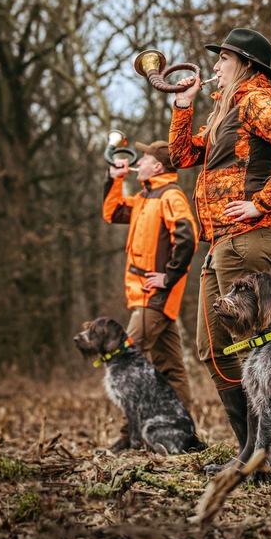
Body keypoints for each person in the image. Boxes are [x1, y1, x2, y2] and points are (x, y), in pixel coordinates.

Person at [168, 27, 271, 457]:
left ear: (245, 64)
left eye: (223, 59)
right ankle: (252, 452)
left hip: (247, 238)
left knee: (255, 351)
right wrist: (183, 105)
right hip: (220, 243)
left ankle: (262, 454)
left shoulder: (256, 101)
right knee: (213, 350)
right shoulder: (225, 110)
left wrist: (260, 202)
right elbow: (182, 156)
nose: (215, 66)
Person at [102, 138, 199, 452]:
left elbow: (188, 237)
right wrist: (114, 180)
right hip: (145, 298)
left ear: (157, 166)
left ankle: (128, 436)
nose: (138, 162)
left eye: (143, 158)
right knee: (172, 368)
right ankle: (184, 436)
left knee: (125, 360)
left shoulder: (170, 196)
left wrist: (168, 276)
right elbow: (113, 212)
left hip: (154, 297)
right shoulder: (145, 197)